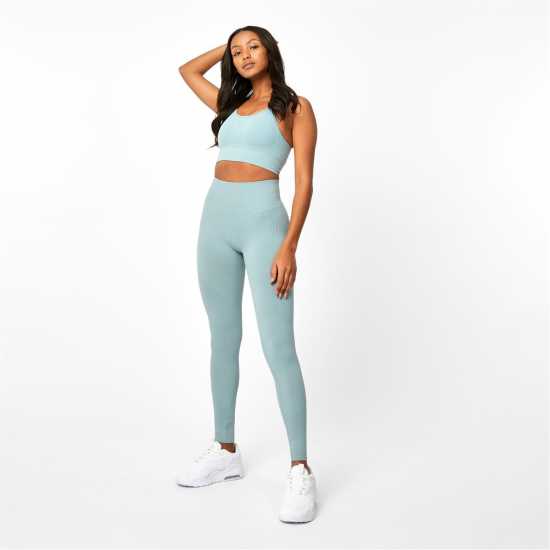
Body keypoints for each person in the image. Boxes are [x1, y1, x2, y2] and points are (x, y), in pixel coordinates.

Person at [175, 26, 318, 523]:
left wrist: (289, 246)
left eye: (253, 46)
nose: (243, 55)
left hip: (265, 230)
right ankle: (225, 450)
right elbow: (187, 70)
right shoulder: (230, 106)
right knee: (223, 339)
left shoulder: (295, 108)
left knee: (279, 348)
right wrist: (230, 42)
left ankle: (300, 468)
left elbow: (304, 184)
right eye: (237, 52)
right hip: (215, 225)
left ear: (271, 51)